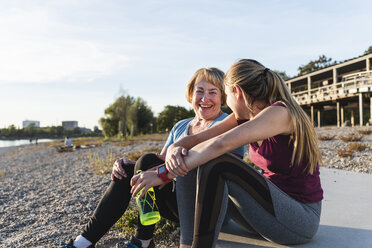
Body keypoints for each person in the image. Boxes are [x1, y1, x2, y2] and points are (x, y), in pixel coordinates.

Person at [131, 59, 323, 248]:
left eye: (225, 94)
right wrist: (175, 147)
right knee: (196, 157)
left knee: (216, 161)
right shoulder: (245, 116)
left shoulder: (281, 113)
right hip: (266, 214)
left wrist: (162, 174)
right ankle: (187, 244)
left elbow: (220, 144)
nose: (226, 103)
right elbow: (200, 139)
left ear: (237, 92)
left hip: (299, 220)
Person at [61, 67, 245, 248]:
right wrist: (128, 165)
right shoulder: (181, 126)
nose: (205, 98)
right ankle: (83, 242)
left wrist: (154, 168)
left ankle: (143, 241)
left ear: (223, 97)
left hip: (207, 205)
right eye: (200, 91)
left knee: (147, 161)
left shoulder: (227, 123)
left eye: (213, 92)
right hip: (174, 199)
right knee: (128, 169)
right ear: (191, 94)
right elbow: (161, 160)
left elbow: (219, 166)